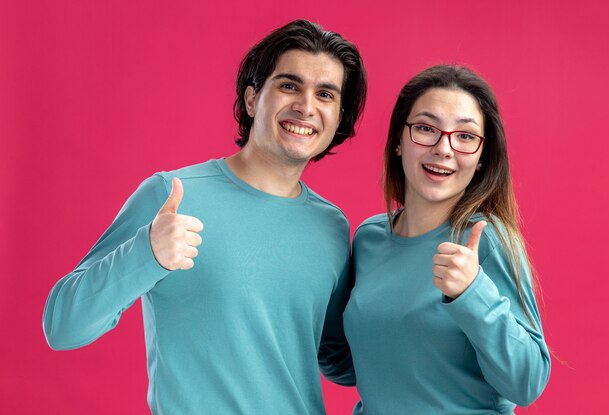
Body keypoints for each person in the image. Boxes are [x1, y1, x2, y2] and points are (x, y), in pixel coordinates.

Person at [43, 19, 366, 414]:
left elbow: (339, 360)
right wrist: (147, 253)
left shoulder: (331, 227)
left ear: (338, 118)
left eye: (326, 94)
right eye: (289, 85)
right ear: (252, 99)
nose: (306, 106)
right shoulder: (171, 196)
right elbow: (63, 327)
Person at [343, 65, 550, 414]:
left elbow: (527, 383)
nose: (444, 148)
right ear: (397, 140)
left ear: (483, 158)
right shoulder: (369, 240)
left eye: (465, 136)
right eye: (425, 129)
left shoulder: (485, 240)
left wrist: (473, 293)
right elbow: (356, 365)